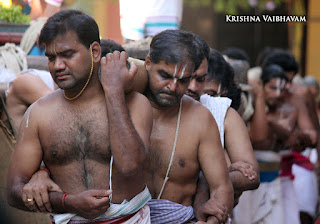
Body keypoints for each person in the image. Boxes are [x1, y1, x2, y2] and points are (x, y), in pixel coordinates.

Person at [20, 29, 234, 224]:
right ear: (148, 64)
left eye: (183, 80)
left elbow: (221, 187)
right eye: (165, 76)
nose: (173, 87)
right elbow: (68, 148)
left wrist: (211, 220)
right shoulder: (114, 100)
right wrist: (41, 171)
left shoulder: (201, 118)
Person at [7, 9, 153, 224]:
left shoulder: (135, 103)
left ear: (95, 52)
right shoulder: (39, 113)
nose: (57, 65)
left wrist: (113, 91)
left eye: (67, 55)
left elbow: (130, 166)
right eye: (51, 57)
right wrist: (68, 202)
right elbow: (13, 190)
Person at [186, 49, 259, 214]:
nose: (193, 88)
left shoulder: (222, 112)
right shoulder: (165, 106)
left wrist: (214, 179)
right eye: (190, 80)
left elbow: (250, 175)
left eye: (210, 94)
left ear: (224, 93)